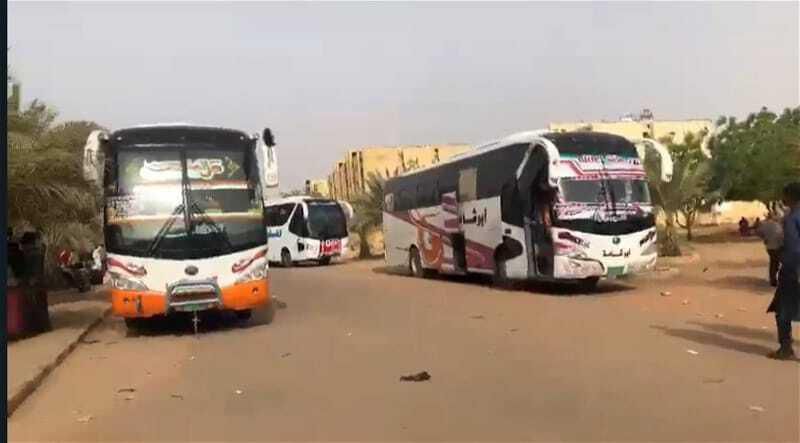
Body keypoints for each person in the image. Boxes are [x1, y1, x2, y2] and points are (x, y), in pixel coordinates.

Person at [766, 182, 800, 360]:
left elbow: (794, 248)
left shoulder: (792, 218)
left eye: (784, 196)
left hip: (793, 271)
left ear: (790, 197)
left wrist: (786, 263)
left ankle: (786, 348)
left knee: (783, 310)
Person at [755, 214, 784, 286]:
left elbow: (758, 232)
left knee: (773, 263)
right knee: (780, 263)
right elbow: (782, 235)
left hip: (770, 247)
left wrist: (764, 238)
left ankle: (773, 280)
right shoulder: (778, 225)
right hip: (778, 246)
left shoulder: (764, 225)